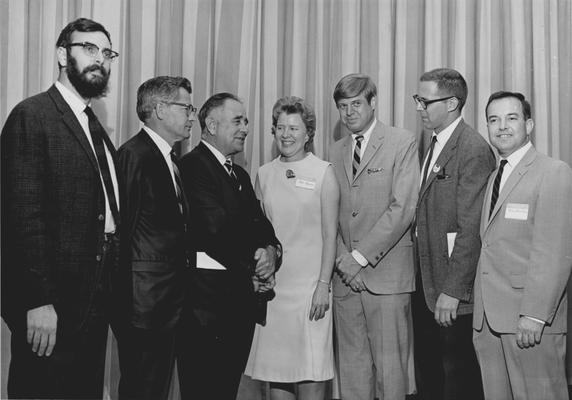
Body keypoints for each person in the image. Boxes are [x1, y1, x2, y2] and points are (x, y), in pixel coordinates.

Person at [1, 18, 120, 399]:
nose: (99, 59)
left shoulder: (94, 127)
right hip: (51, 306)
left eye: (106, 53)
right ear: (60, 55)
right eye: (88, 49)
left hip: (93, 302)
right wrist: (37, 300)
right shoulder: (32, 116)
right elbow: (21, 215)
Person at [178, 92, 282, 400]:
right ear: (210, 125)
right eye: (237, 120)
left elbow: (262, 227)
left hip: (237, 309)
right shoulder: (192, 167)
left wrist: (271, 252)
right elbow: (216, 230)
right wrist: (255, 263)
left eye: (246, 121)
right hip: (205, 313)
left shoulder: (239, 174)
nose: (245, 128)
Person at [473, 91, 572, 400]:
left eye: (511, 118)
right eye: (494, 119)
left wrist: (535, 315)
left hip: (529, 322)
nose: (502, 126)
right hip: (488, 322)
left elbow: (554, 252)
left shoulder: (552, 172)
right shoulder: (494, 176)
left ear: (529, 125)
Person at [329, 73, 419, 400]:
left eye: (356, 104)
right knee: (352, 372)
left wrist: (358, 257)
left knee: (391, 374)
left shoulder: (402, 141)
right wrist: (343, 260)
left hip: (386, 278)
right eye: (343, 106)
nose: (350, 112)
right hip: (345, 280)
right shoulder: (334, 150)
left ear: (372, 103)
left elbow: (403, 208)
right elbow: (329, 213)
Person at [244, 96, 340, 399]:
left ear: (308, 133)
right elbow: (257, 233)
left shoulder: (323, 172)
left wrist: (323, 285)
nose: (286, 134)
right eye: (280, 127)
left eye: (294, 128)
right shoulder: (264, 174)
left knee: (311, 370)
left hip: (311, 291)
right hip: (274, 292)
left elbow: (330, 235)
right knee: (276, 377)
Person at [412, 68, 495, 400]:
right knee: (431, 379)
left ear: (451, 103)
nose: (418, 107)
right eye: (417, 100)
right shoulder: (435, 142)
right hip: (428, 285)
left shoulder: (472, 148)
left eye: (424, 101)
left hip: (450, 295)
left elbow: (471, 229)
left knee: (457, 383)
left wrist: (453, 291)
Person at [115, 76, 196, 400]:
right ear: (160, 109)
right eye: (186, 107)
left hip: (165, 306)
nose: (193, 115)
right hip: (143, 309)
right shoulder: (134, 155)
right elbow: (122, 232)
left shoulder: (169, 160)